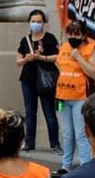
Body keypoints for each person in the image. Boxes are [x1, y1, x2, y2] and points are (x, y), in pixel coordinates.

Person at [52, 19, 95, 178]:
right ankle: (66, 165)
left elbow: (93, 73)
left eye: (76, 33)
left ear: (83, 34)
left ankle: (85, 165)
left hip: (81, 97)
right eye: (70, 33)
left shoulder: (90, 48)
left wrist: (79, 58)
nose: (73, 36)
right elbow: (60, 66)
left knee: (81, 133)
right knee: (66, 133)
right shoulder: (64, 47)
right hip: (62, 97)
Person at [16, 9, 61, 153]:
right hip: (28, 79)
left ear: (44, 23)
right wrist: (26, 59)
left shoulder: (50, 38)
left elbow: (59, 56)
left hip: (46, 79)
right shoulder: (25, 40)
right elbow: (18, 61)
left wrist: (42, 58)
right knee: (30, 112)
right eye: (33, 21)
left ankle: (54, 143)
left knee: (49, 111)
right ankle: (29, 143)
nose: (36, 24)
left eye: (39, 22)